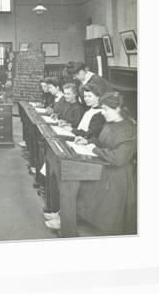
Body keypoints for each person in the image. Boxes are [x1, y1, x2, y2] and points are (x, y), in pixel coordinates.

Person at [46, 92, 137, 235]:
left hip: (116, 175)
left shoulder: (128, 129)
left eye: (106, 109)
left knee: (78, 183)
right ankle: (64, 215)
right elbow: (101, 142)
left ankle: (68, 220)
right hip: (104, 165)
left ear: (118, 109)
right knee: (73, 178)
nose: (103, 112)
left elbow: (119, 158)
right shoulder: (110, 123)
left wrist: (94, 149)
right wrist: (88, 142)